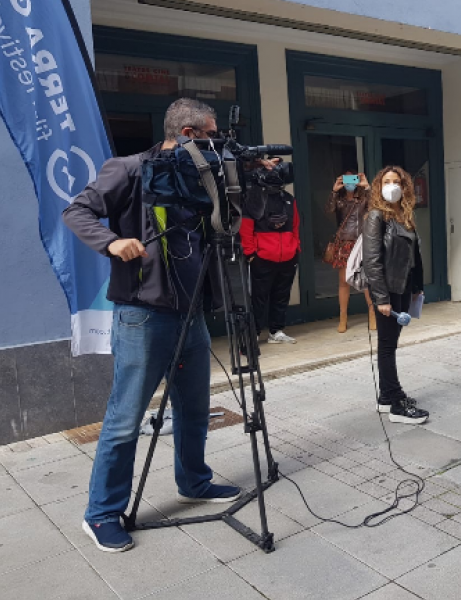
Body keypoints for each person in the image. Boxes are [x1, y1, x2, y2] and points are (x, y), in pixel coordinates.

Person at [62, 98, 241, 553]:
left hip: (191, 312)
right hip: (143, 315)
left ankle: (194, 481)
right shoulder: (127, 170)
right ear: (187, 134)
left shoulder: (204, 177)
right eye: (210, 134)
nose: (215, 142)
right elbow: (76, 212)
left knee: (195, 408)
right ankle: (101, 514)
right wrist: (112, 241)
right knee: (125, 420)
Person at [363, 166, 429, 424]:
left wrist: (417, 286)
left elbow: (414, 255)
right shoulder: (376, 217)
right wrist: (381, 298)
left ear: (405, 186)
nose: (392, 186)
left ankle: (386, 398)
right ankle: (394, 401)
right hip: (387, 289)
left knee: (390, 342)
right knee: (387, 345)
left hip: (403, 286)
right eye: (387, 181)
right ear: (379, 187)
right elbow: (372, 260)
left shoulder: (404, 215)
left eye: (397, 181)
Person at [241, 176, 301, 344]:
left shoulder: (289, 199)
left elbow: (295, 225)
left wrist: (296, 247)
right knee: (258, 297)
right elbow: (246, 227)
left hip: (288, 256)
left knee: (281, 295)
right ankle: (254, 332)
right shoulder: (254, 198)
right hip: (262, 257)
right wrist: (251, 253)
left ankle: (276, 331)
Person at [325, 170, 375, 333]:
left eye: (353, 179)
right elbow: (329, 210)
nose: (350, 183)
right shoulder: (339, 201)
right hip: (344, 242)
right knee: (343, 281)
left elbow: (377, 206)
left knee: (365, 279)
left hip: (361, 242)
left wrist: (367, 187)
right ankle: (343, 317)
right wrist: (334, 190)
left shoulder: (363, 200)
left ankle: (372, 313)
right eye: (346, 180)